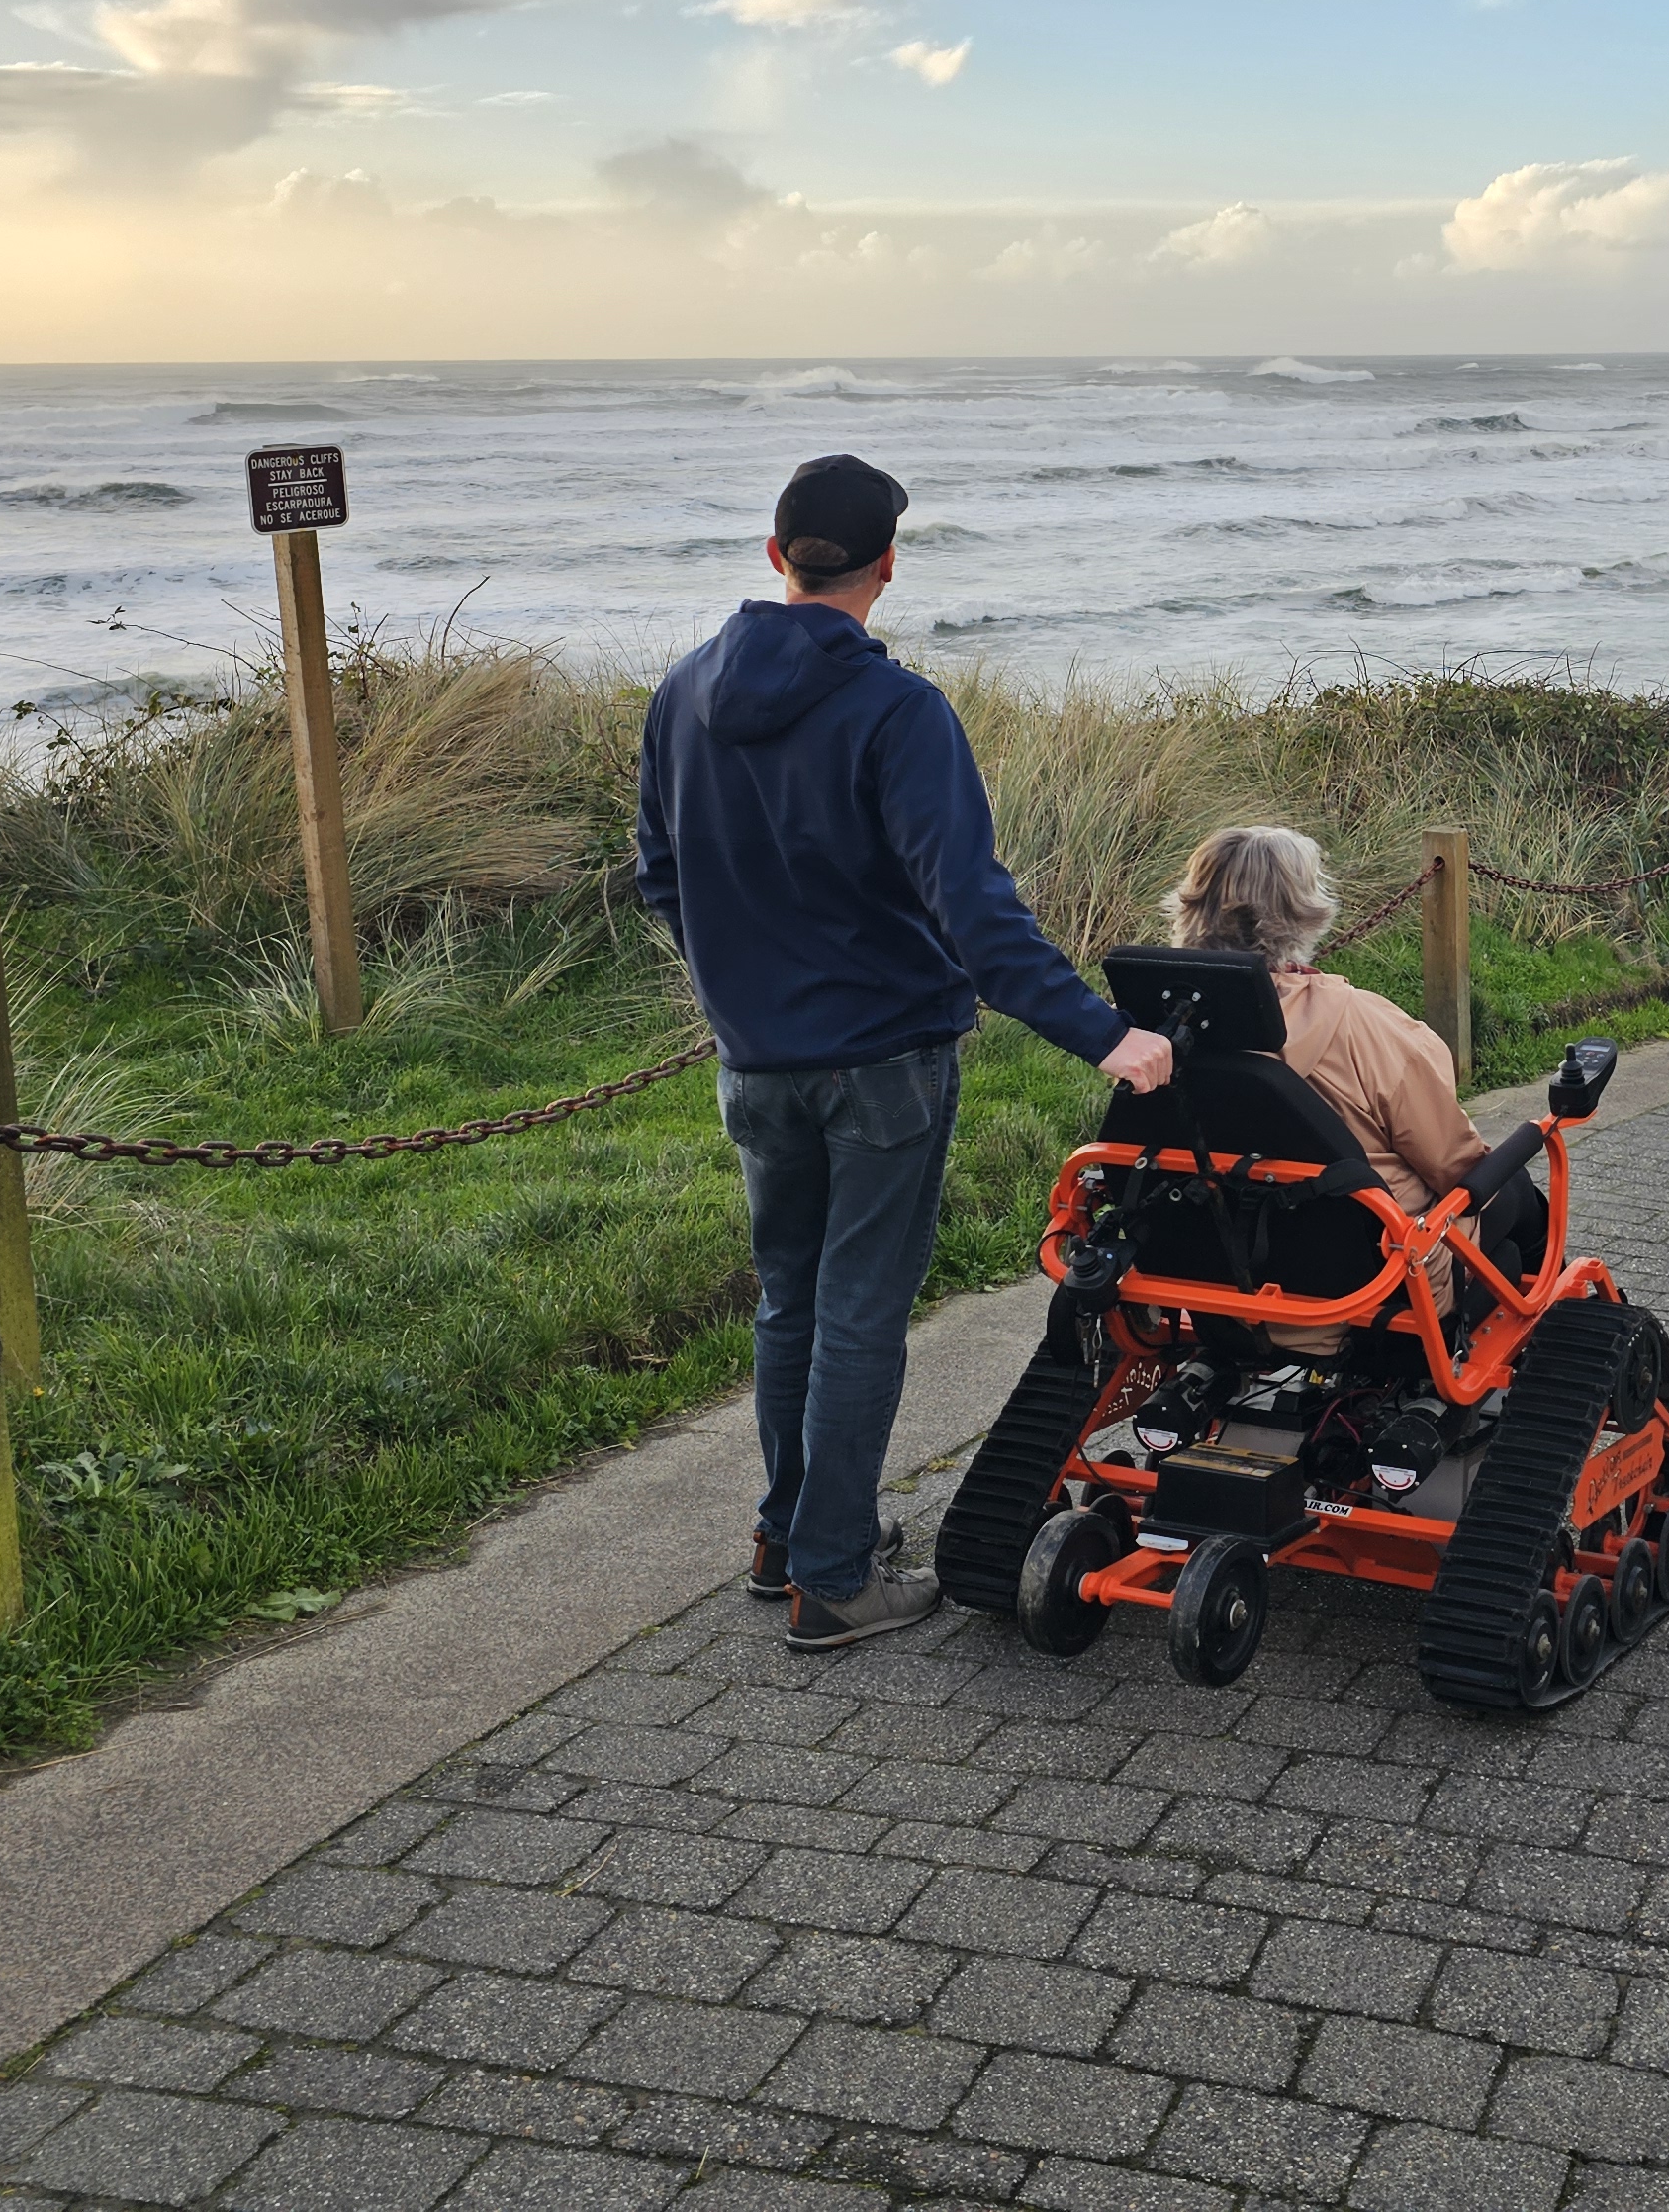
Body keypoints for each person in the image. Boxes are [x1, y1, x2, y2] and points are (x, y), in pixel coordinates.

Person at [637, 451, 1173, 1650]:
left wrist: (738, 983)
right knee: (859, 1315)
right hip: (881, 1056)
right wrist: (1106, 1035)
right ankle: (833, 1578)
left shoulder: (681, 691)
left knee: (791, 1301)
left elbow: (658, 874)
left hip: (755, 1060)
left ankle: (789, 1535)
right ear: (887, 564)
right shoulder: (898, 710)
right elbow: (973, 914)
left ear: (775, 555)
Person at [1163, 826, 1541, 1319]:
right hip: (1375, 1296)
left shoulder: (1150, 1037)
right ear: (1300, 909)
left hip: (1209, 1290)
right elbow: (1454, 1165)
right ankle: (1544, 1328)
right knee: (1511, 1192)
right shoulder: (1358, 1022)